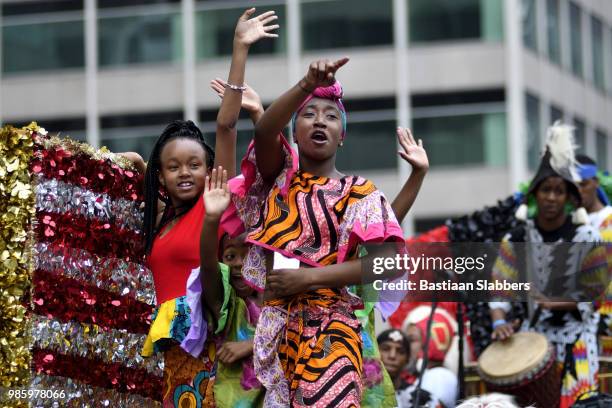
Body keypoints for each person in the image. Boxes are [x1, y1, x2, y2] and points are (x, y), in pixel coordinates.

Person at [219, 57, 406, 407]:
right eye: (309, 113)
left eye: (331, 116)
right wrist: (306, 83)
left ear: (342, 137)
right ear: (293, 130)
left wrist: (309, 280)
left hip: (333, 332)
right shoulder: (280, 181)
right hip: (278, 332)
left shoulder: (360, 192)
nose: (320, 120)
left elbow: (389, 263)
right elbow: (262, 131)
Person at [139, 8, 278, 407]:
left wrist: (239, 49)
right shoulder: (160, 218)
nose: (185, 173)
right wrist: (134, 164)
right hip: (168, 357)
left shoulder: (215, 201)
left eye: (194, 165)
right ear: (159, 177)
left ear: (208, 170)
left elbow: (226, 128)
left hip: (213, 351)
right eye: (173, 166)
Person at [489, 123, 607, 408]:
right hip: (532, 344)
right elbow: (498, 289)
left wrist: (556, 302)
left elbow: (597, 293)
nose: (552, 197)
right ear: (534, 195)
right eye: (546, 190)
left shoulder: (587, 236)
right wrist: (500, 321)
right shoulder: (517, 237)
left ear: (569, 197)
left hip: (578, 344)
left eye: (559, 191)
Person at [576, 154, 612, 337]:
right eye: (573, 186)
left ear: (595, 182)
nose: (578, 191)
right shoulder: (568, 227)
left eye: (583, 184)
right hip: (579, 330)